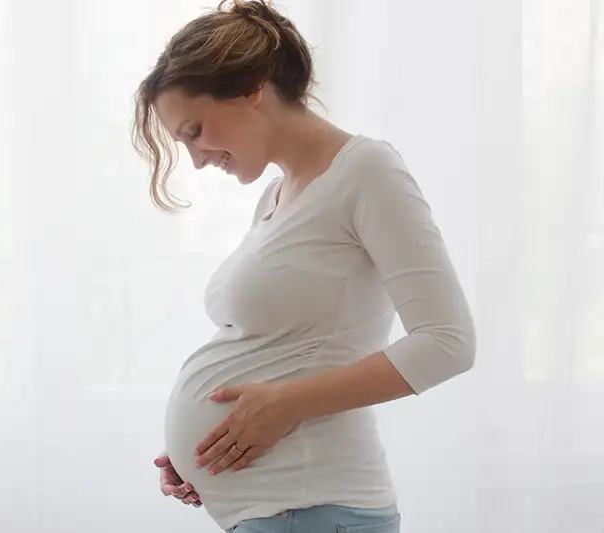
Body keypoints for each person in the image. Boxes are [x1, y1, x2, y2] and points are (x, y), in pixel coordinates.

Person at [132, 1, 476, 532]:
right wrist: (203, 446)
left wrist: (284, 405)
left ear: (252, 86)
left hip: (316, 507)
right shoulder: (274, 196)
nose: (196, 158)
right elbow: (283, 349)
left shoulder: (365, 170)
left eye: (196, 130)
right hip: (282, 512)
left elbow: (448, 341)